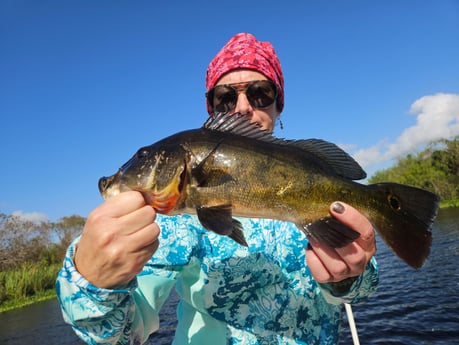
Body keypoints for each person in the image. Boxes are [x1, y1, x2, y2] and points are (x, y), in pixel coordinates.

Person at [56, 33, 378, 345]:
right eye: (225, 97)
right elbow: (124, 335)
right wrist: (95, 283)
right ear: (211, 107)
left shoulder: (316, 183)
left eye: (259, 94)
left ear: (278, 104)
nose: (241, 108)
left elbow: (360, 292)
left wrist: (347, 277)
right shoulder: (169, 221)